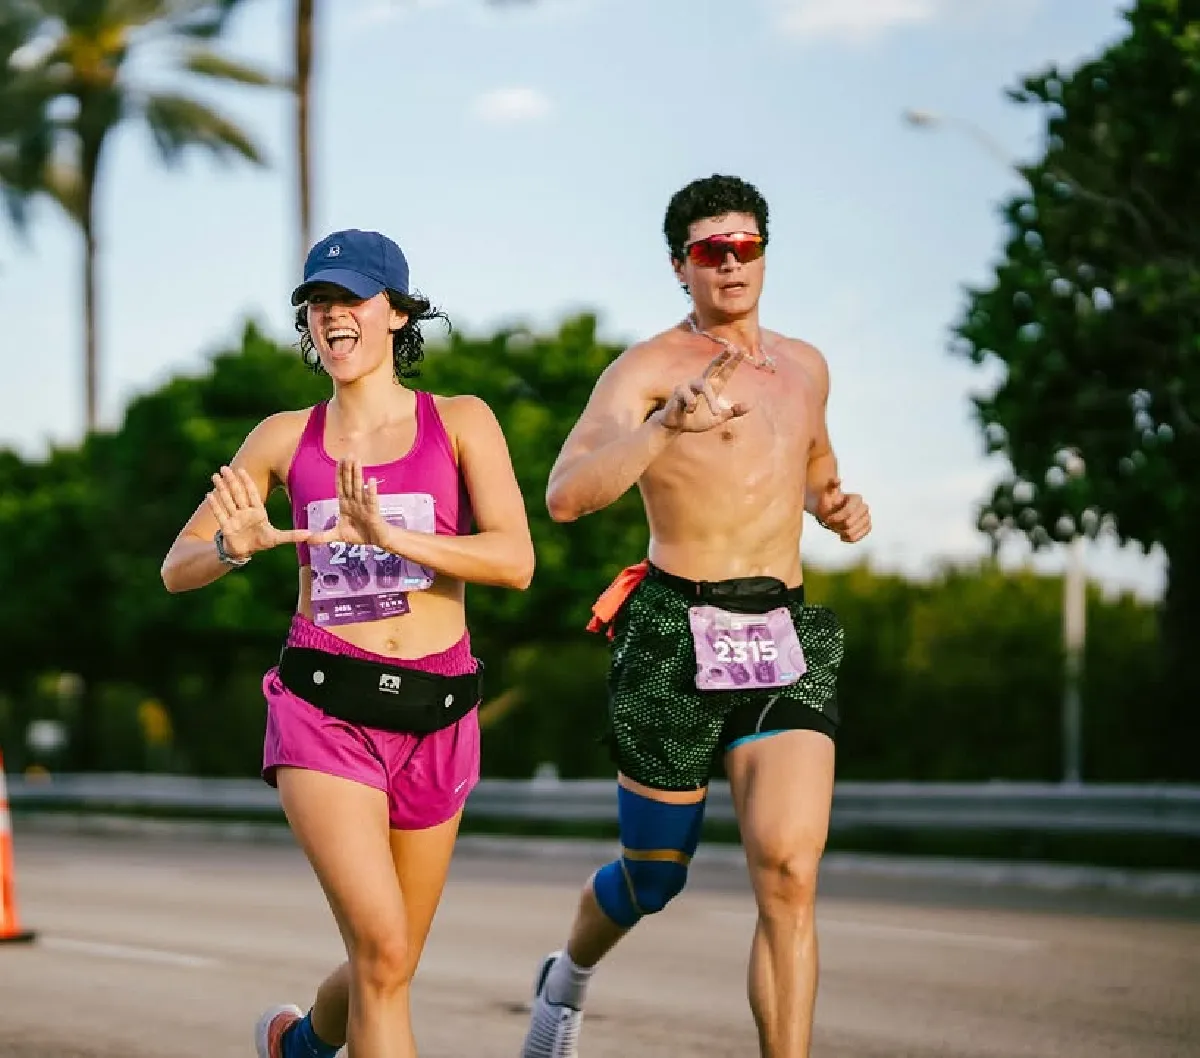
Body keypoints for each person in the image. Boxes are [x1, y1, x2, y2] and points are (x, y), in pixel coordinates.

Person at [518, 175, 871, 1058]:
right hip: (675, 630)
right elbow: (566, 495)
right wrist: (665, 430)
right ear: (681, 266)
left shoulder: (806, 367)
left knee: (788, 871)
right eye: (712, 251)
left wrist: (834, 505)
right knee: (654, 877)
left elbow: (815, 466)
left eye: (746, 247)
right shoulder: (645, 370)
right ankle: (568, 975)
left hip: (781, 628)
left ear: (765, 255)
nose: (731, 264)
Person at [161, 228, 535, 1058]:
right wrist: (231, 547)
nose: (333, 316)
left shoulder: (461, 421)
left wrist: (397, 539)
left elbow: (515, 561)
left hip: (439, 711)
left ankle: (299, 1049)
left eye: (352, 299)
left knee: (390, 964)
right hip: (325, 708)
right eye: (319, 303)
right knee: (383, 953)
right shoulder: (281, 437)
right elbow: (176, 569)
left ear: (397, 313)